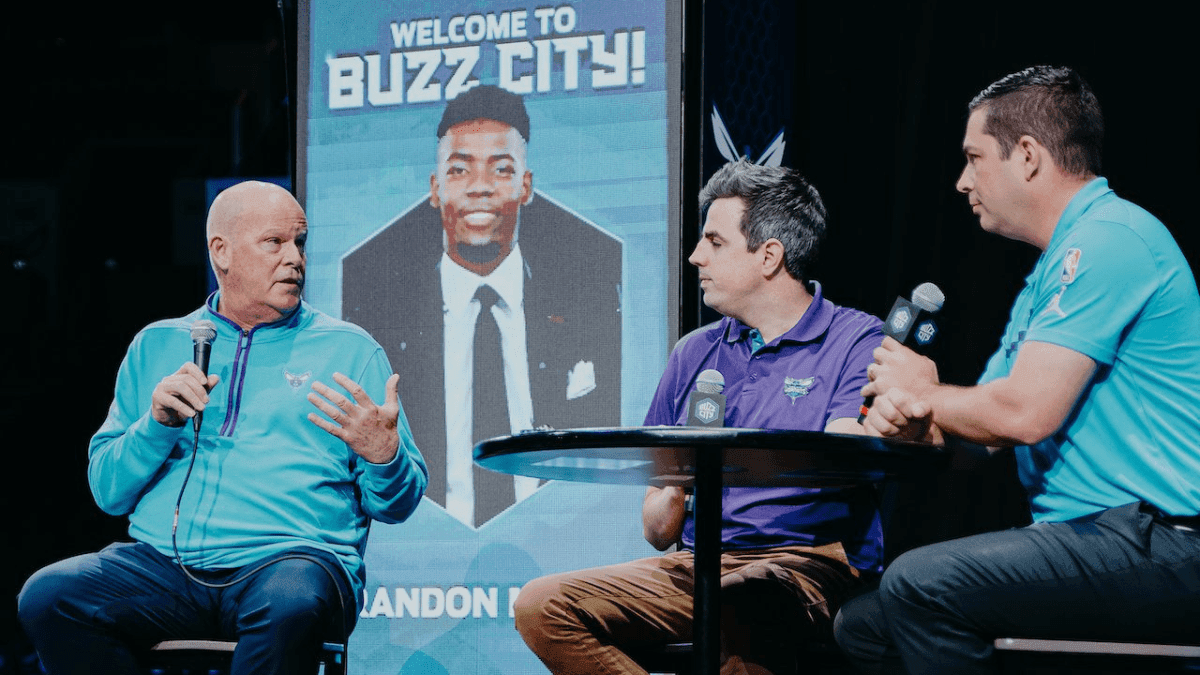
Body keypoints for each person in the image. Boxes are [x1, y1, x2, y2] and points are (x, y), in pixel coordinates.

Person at [833, 65, 1200, 674]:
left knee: (919, 585)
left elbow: (1024, 414)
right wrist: (916, 424)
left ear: (1027, 156)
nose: (961, 181)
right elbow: (983, 437)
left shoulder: (1109, 239)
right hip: (1094, 537)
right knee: (864, 626)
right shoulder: (1047, 275)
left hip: (1164, 541)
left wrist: (926, 391)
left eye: (973, 158)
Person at [17, 181, 429, 675]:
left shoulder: (351, 350)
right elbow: (109, 493)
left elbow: (397, 506)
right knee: (50, 596)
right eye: (274, 242)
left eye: (300, 242)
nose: (295, 259)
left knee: (292, 602)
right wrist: (156, 426)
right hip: (167, 569)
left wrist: (385, 457)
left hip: (292, 563)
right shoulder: (156, 344)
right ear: (221, 252)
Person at [514, 159, 885, 675]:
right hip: (697, 564)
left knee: (742, 598)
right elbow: (657, 530)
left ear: (769, 256)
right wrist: (677, 484)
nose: (695, 256)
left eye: (714, 242)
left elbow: (850, 460)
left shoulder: (856, 339)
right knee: (541, 605)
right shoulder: (695, 352)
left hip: (808, 562)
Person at [343, 85, 623, 530]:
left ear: (525, 186)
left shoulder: (593, 299)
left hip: (560, 537)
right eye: (459, 170)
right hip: (425, 548)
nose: (479, 187)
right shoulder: (379, 319)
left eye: (501, 169)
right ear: (435, 189)